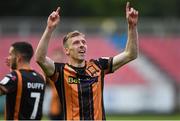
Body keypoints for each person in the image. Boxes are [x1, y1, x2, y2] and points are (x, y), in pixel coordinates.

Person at [35, 2, 138, 120]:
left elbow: (131, 54)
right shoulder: (60, 71)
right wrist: (49, 29)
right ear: (67, 51)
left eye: (84, 42)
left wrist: (132, 26)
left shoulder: (99, 66)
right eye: (76, 43)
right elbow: (40, 58)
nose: (82, 45)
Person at [0, 42, 46, 120]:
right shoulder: (40, 78)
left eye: (11, 54)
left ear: (18, 58)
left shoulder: (15, 76)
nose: (8, 58)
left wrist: (13, 72)